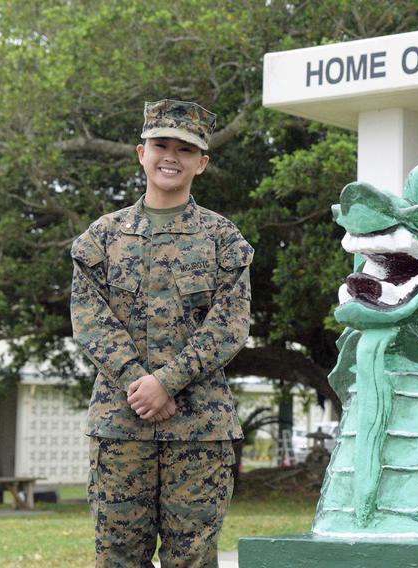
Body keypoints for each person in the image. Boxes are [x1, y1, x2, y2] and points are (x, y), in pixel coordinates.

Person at [70, 99, 254, 568]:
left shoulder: (223, 240)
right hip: (121, 426)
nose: (171, 156)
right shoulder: (101, 238)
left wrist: (166, 382)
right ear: (141, 152)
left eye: (185, 149)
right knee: (117, 557)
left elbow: (229, 325)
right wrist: (140, 382)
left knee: (191, 558)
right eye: (160, 145)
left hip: (199, 430)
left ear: (202, 163)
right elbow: (90, 321)